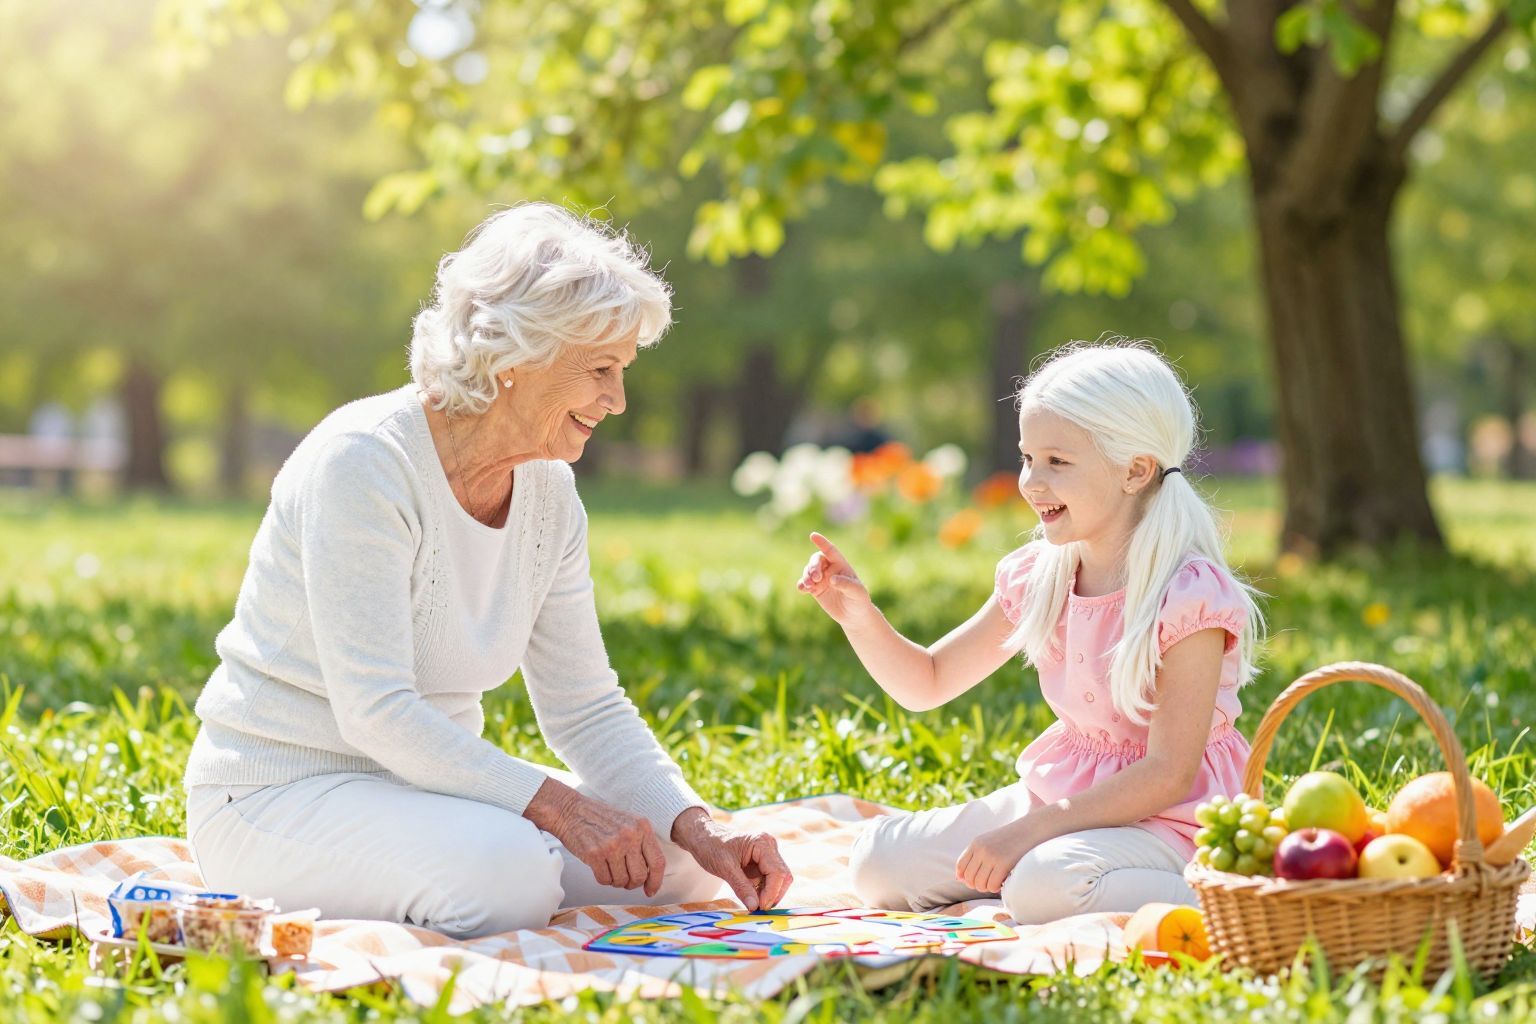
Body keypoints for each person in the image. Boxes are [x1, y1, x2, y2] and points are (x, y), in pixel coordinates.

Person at [184, 203, 791, 939]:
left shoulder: (549, 492)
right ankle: (476, 878)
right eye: (601, 370)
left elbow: (586, 706)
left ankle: (505, 864)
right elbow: (375, 710)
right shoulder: (364, 462)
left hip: (431, 798)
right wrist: (560, 811)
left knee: (679, 862)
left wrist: (702, 827)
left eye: (622, 372)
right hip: (276, 798)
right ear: (517, 354)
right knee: (511, 876)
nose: (618, 400)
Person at [796, 340, 1265, 924]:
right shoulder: (1039, 576)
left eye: (1057, 462)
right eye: (1027, 458)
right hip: (1061, 802)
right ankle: (1044, 872)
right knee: (879, 863)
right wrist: (858, 615)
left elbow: (1169, 774)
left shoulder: (1187, 594)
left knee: (1046, 886)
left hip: (1173, 822)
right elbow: (929, 682)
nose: (1030, 482)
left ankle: (1238, 902)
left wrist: (1027, 834)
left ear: (1136, 470)